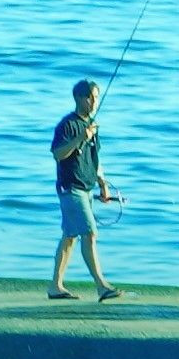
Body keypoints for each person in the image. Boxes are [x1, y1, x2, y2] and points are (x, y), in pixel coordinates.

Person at [47, 78, 124, 301]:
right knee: (89, 233)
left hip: (87, 187)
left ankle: (55, 286)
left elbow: (95, 158)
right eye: (90, 97)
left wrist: (103, 184)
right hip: (71, 187)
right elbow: (58, 154)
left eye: (96, 97)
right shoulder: (67, 125)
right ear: (79, 98)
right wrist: (80, 137)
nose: (94, 102)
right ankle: (102, 286)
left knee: (70, 237)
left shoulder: (92, 125)